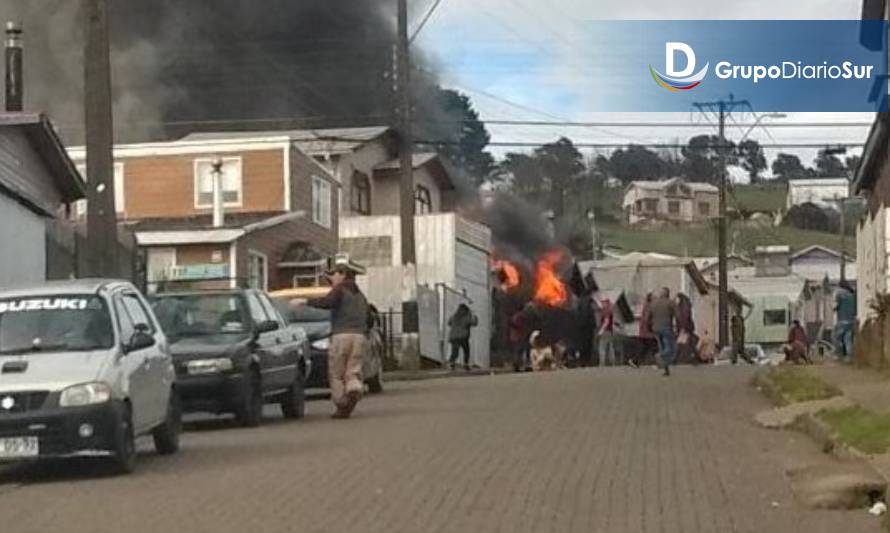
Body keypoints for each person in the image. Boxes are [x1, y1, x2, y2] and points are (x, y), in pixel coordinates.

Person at [294, 263, 369, 419]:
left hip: (341, 335)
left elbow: (327, 303)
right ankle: (354, 386)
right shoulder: (361, 296)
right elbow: (370, 318)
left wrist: (305, 302)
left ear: (341, 275)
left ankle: (341, 403)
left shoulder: (339, 290)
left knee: (336, 373)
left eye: (332, 275)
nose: (331, 279)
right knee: (353, 369)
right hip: (359, 336)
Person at [650, 287, 677, 376]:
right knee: (670, 348)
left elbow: (648, 317)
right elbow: (678, 315)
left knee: (661, 347)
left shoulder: (653, 303)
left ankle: (666, 370)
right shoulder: (671, 303)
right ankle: (659, 355)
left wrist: (650, 328)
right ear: (668, 294)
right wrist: (679, 328)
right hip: (666, 328)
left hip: (655, 329)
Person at [448, 303, 478, 371]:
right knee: (466, 351)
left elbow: (449, 323)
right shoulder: (467, 316)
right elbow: (474, 323)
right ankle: (465, 364)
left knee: (454, 351)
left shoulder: (454, 316)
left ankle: (451, 363)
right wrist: (474, 316)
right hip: (462, 337)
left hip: (453, 336)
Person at [835, 280, 857, 361]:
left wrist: (835, 308)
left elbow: (836, 305)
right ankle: (849, 356)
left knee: (837, 337)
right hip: (851, 320)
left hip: (842, 319)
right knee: (847, 338)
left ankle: (839, 355)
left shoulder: (839, 293)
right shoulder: (851, 294)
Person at [675, 293, 696, 364]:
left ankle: (676, 359)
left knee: (681, 343)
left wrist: (682, 328)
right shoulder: (685, 305)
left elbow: (684, 317)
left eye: (676, 298)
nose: (676, 300)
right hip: (687, 327)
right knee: (689, 342)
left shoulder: (683, 307)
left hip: (685, 327)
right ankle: (694, 357)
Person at [598, 298, 616, 366]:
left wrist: (601, 331)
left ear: (606, 303)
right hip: (610, 332)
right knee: (610, 348)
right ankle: (612, 363)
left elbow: (606, 321)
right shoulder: (610, 311)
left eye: (603, 302)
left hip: (605, 332)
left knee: (602, 348)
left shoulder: (606, 311)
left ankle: (602, 363)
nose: (602, 304)